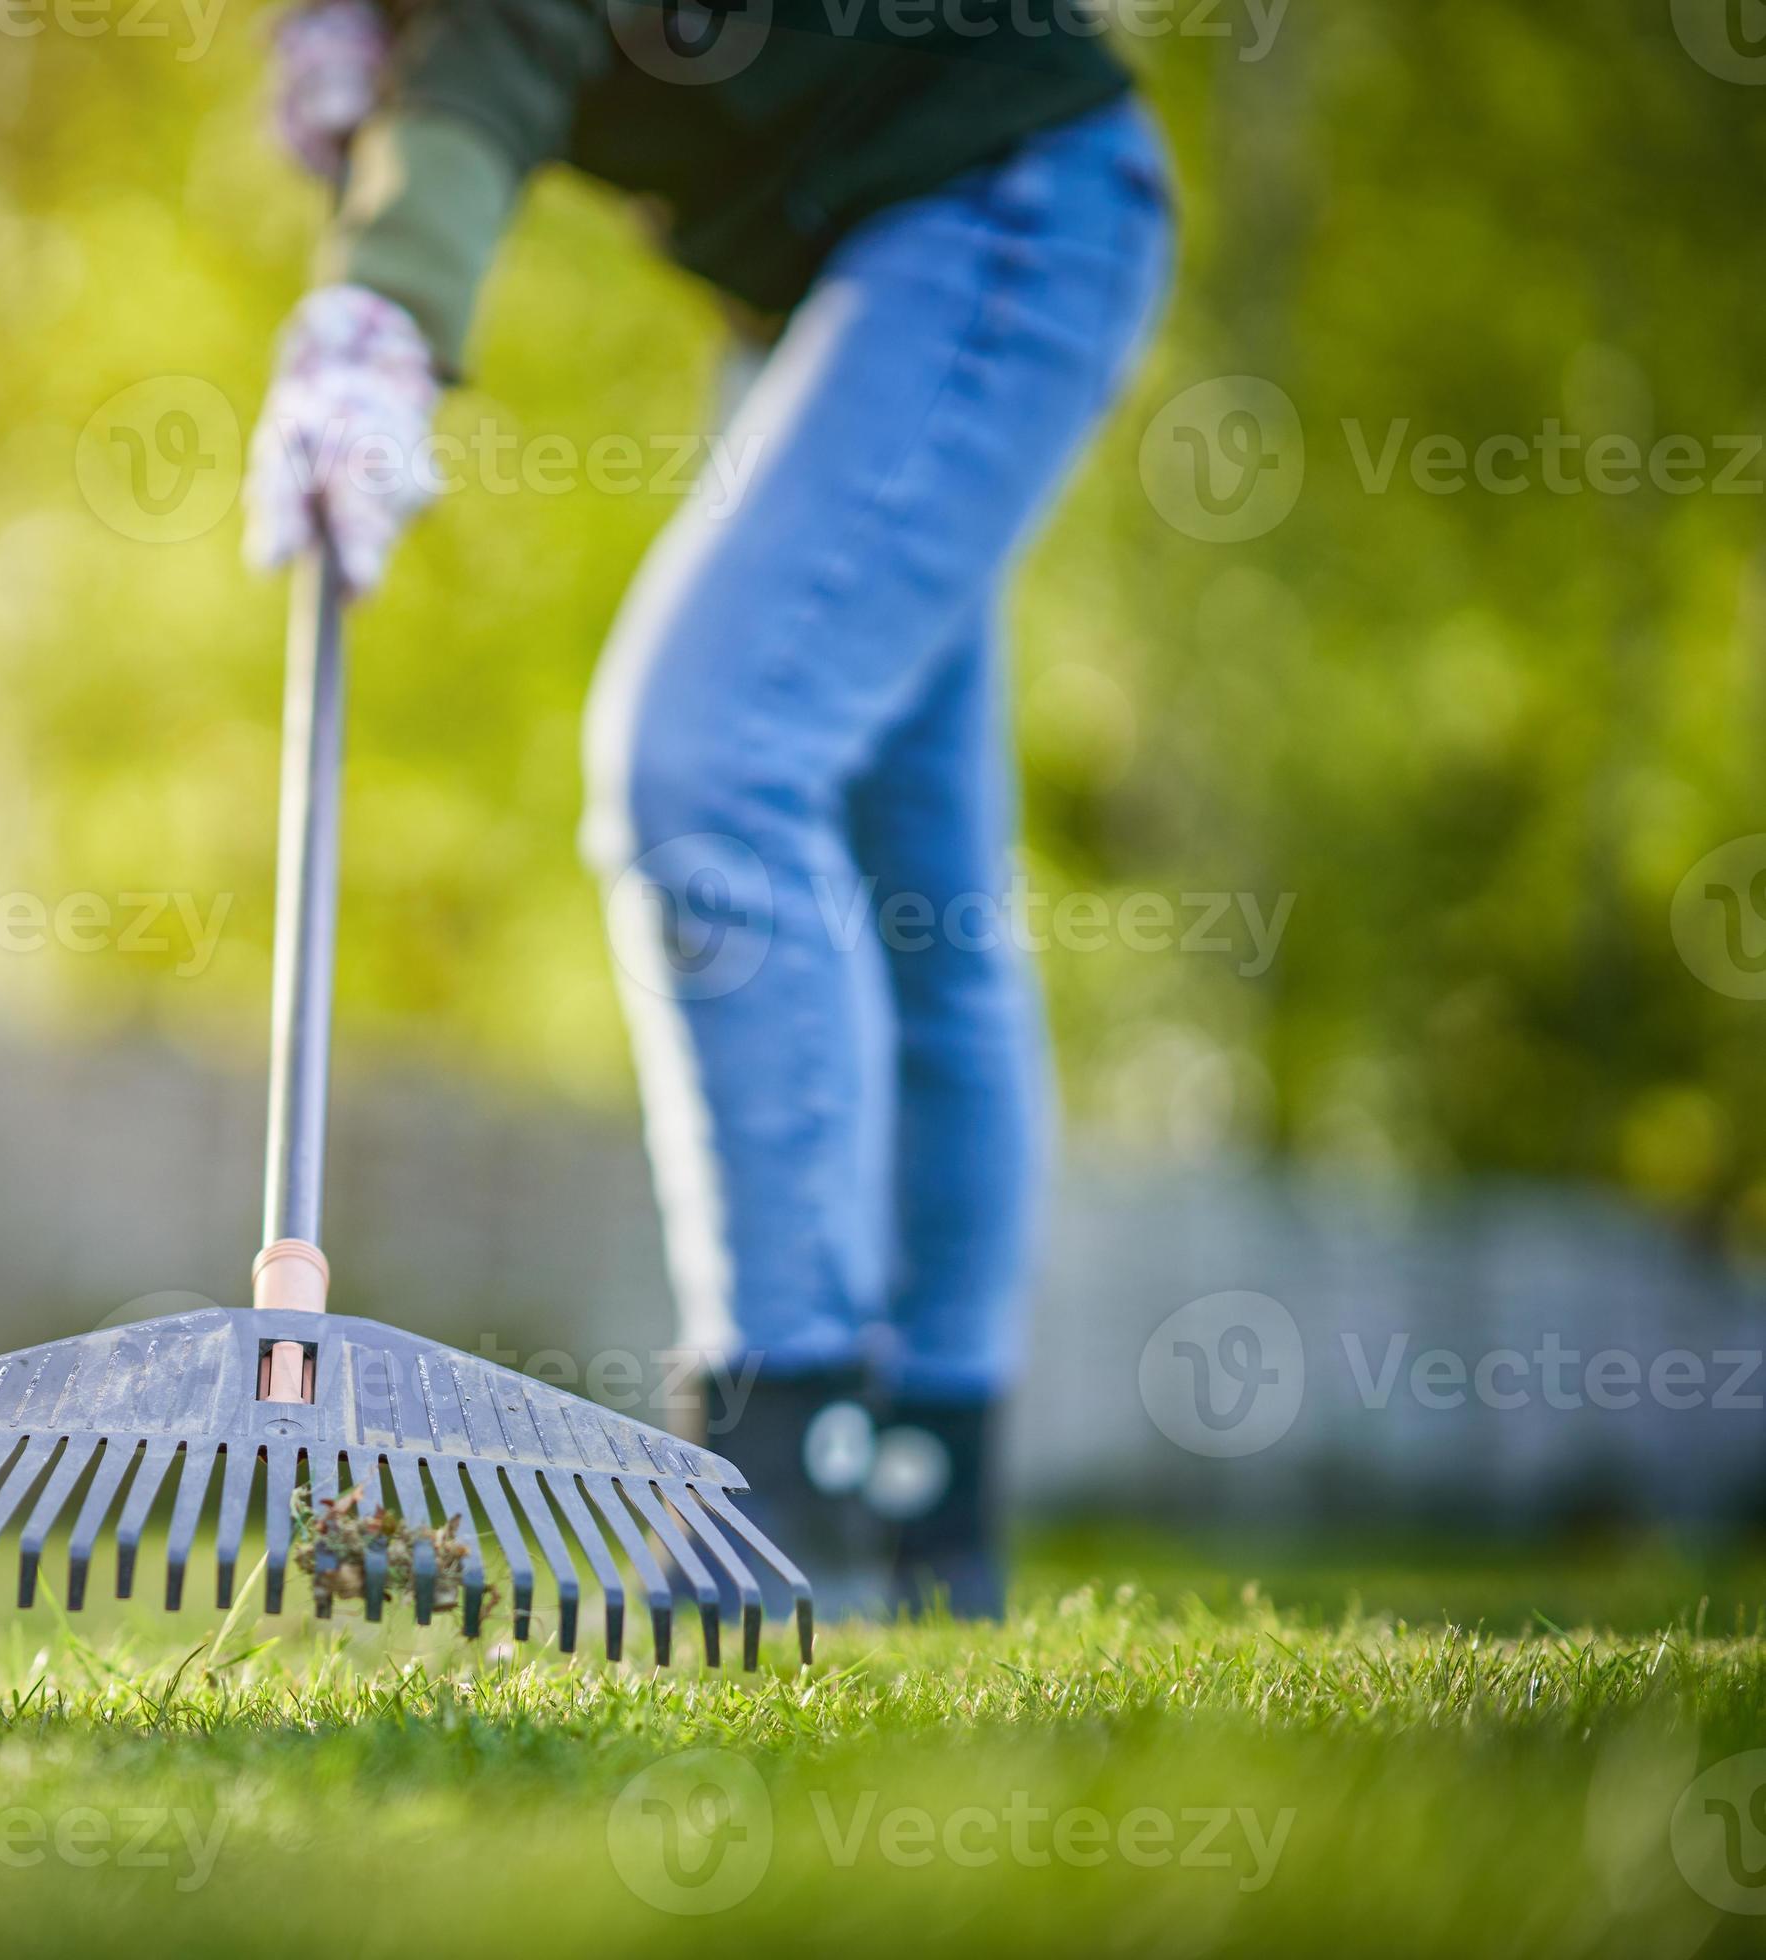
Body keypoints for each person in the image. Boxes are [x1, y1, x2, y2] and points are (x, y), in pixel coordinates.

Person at [242, 0, 1177, 1616]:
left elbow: (506, 46)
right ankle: (923, 1516)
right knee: (922, 889)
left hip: (1000, 201)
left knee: (707, 759)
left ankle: (794, 1471)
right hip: (849, 285)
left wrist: (385, 300)